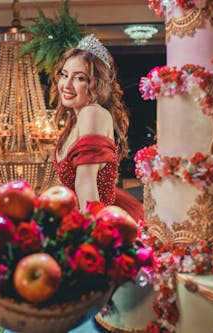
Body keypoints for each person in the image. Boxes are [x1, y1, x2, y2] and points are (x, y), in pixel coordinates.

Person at [52, 34, 143, 221]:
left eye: (79, 78)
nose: (67, 85)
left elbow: (86, 183)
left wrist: (91, 236)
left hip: (94, 218)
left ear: (96, 84)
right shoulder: (77, 119)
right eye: (65, 75)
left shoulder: (91, 113)